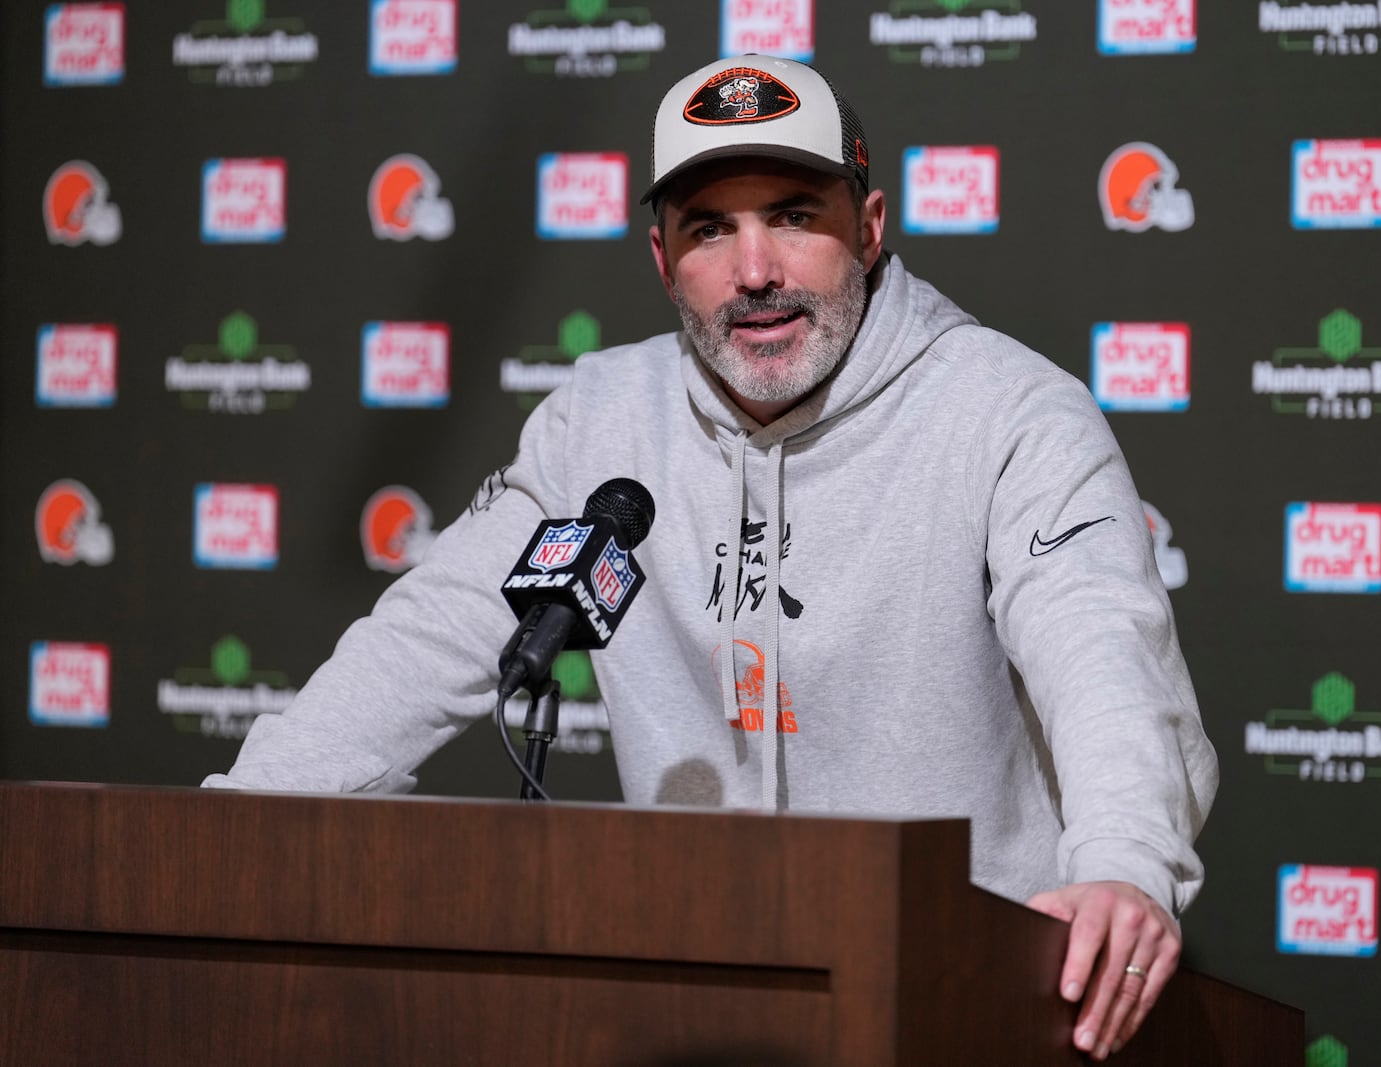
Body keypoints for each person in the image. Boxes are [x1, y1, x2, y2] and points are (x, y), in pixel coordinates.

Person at [204, 54, 1218, 1060]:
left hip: (970, 1007)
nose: (756, 271)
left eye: (792, 214)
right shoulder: (596, 421)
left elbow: (1102, 657)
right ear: (660, 260)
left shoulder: (1010, 413)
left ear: (867, 228)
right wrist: (234, 829)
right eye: (709, 230)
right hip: (703, 1011)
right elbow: (426, 635)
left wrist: (1125, 864)